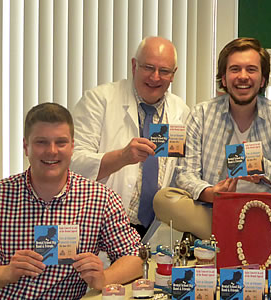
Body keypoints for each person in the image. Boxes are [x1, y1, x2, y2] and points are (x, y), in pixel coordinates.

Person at [0, 103, 143, 299]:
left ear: (72, 147)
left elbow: (136, 257)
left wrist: (104, 277)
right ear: (26, 146)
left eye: (61, 142)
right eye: (41, 142)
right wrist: (7, 272)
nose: (52, 151)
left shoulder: (100, 199)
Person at [154, 37, 271, 239]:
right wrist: (211, 193)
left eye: (251, 69)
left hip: (264, 208)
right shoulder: (201, 114)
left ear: (263, 79)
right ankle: (255, 234)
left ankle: (225, 234)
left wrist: (263, 168)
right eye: (235, 69)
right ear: (223, 79)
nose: (243, 76)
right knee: (164, 199)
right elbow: (185, 175)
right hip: (213, 208)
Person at [70, 36, 190, 238]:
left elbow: (182, 173)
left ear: (173, 74)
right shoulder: (99, 100)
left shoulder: (181, 112)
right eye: (148, 67)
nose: (155, 77)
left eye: (164, 71)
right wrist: (122, 157)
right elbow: (72, 164)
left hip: (157, 229)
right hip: (106, 226)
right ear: (134, 66)